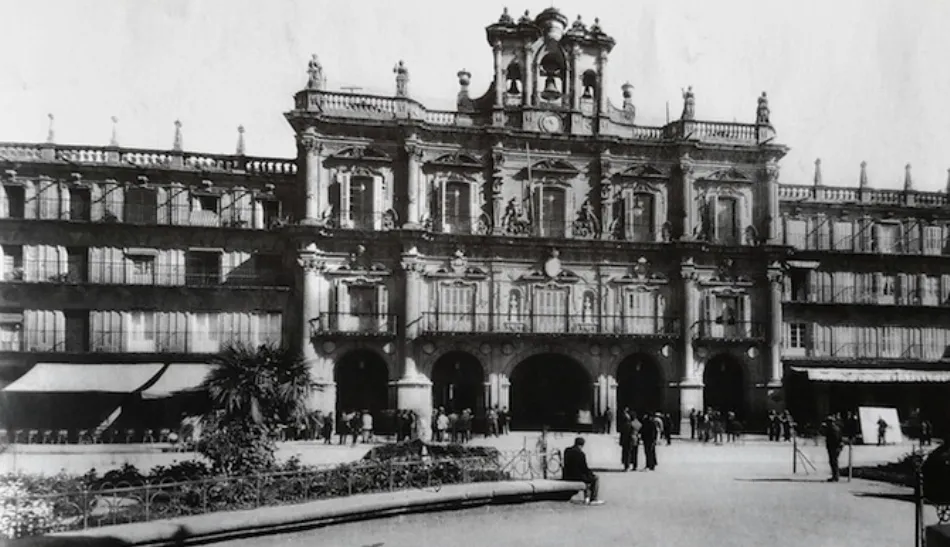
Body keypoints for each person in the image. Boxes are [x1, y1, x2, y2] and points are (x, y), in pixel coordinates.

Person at [562, 437, 604, 505]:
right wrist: (591, 474)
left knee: (587, 477)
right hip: (577, 477)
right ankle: (593, 499)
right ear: (582, 445)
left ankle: (587, 497)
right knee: (595, 478)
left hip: (567, 475)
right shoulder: (581, 454)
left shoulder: (567, 451)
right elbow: (584, 468)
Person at [820, 414, 843, 482]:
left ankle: (835, 477)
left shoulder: (833, 429)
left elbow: (836, 439)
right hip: (834, 447)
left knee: (834, 462)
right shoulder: (834, 428)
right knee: (833, 462)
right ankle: (835, 476)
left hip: (834, 448)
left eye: (828, 422)